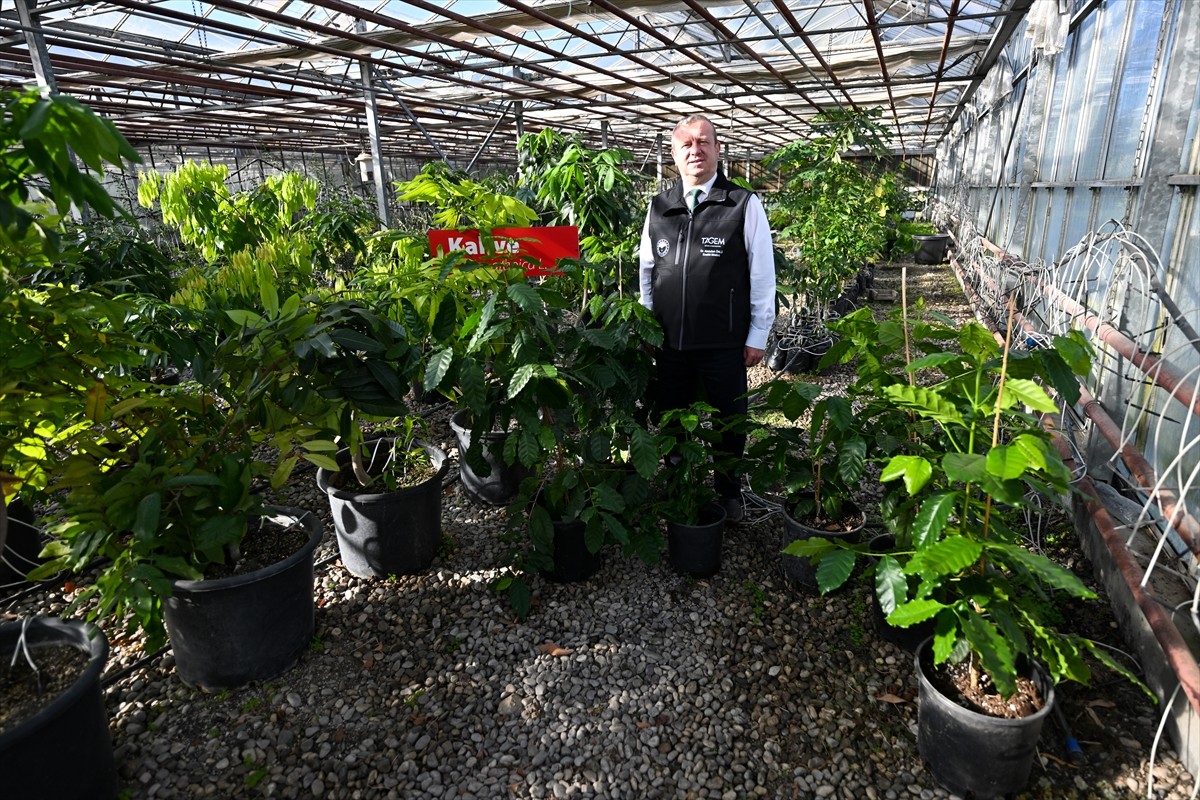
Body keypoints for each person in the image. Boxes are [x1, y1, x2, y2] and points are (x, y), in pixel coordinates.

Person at [638, 114, 776, 523]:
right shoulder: (660, 206)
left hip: (723, 340)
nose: (695, 150)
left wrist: (758, 333)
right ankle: (678, 481)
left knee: (729, 418)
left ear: (718, 150)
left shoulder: (742, 204)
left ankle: (728, 492)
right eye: (686, 145)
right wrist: (646, 322)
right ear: (674, 156)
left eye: (703, 142)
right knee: (672, 414)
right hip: (669, 341)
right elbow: (647, 270)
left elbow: (763, 273)